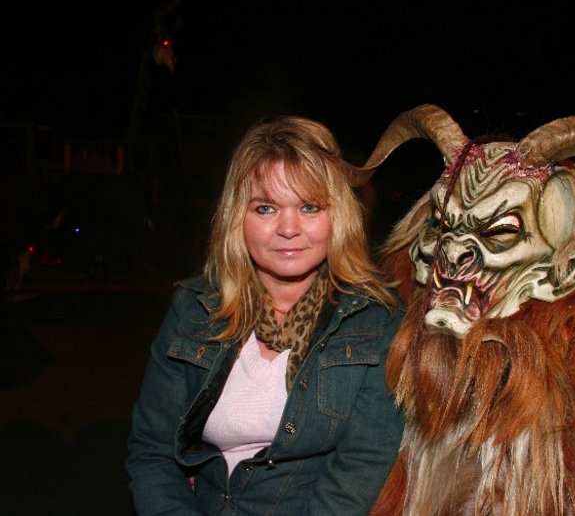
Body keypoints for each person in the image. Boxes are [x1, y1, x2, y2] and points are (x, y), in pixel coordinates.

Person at [126, 116, 405, 515]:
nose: (288, 228)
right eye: (265, 207)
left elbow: (362, 465)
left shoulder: (375, 321)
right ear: (237, 217)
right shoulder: (194, 309)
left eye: (309, 207)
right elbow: (152, 452)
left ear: (337, 216)